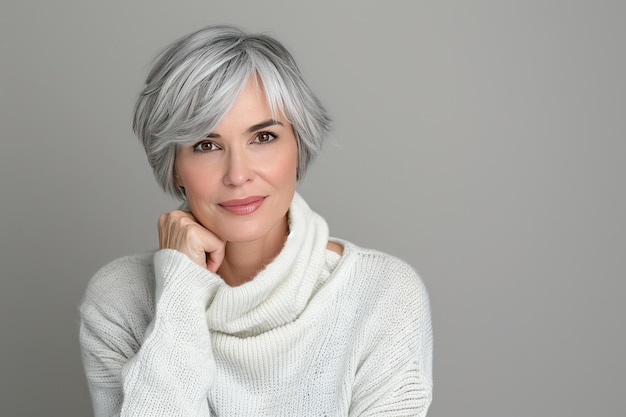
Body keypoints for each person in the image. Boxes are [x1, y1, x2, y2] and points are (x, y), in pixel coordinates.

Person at [79, 24, 433, 416]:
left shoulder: (382, 295)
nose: (238, 174)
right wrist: (180, 290)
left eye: (263, 138)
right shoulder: (120, 300)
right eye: (206, 145)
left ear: (298, 146)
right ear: (174, 166)